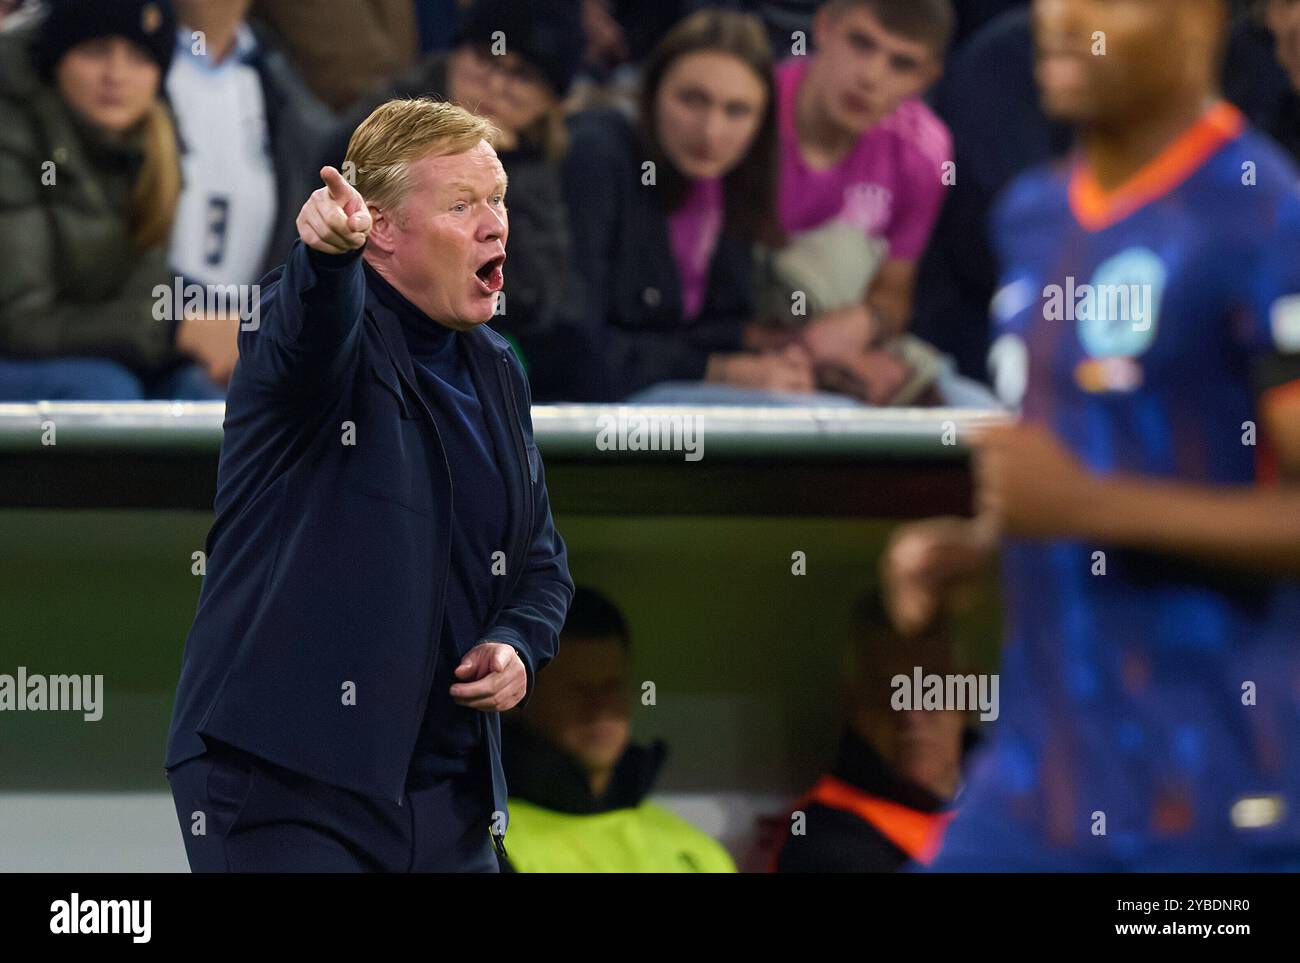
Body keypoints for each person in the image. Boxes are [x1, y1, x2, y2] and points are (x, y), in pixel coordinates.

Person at [884, 0, 1300, 871]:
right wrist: (980, 542)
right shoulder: (1033, 213)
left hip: (1210, 798)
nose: (1061, 19)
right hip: (1038, 783)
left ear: (1199, 23)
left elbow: (1088, 492)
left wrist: (1087, 507)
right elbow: (1074, 466)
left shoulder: (1262, 217)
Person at [163, 98, 573, 872]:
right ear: (381, 227)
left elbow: (541, 565)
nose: (495, 225)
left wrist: (518, 643)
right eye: (462, 205)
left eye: (499, 201)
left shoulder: (496, 368)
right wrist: (326, 259)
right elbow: (312, 328)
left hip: (445, 797)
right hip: (286, 783)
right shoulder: (317, 328)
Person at [545, 8, 814, 402]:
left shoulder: (736, 177)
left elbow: (704, 326)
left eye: (737, 110)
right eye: (692, 100)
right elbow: (570, 349)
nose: (710, 131)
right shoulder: (594, 156)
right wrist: (718, 370)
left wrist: (771, 350)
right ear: (652, 94)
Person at [319, 0, 583, 369]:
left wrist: (509, 170)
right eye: (484, 59)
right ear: (455, 54)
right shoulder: (381, 125)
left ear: (551, 101)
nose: (494, 86)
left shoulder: (545, 157)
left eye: (520, 74)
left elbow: (538, 301)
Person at [0, 0, 234, 400]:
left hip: (93, 344)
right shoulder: (12, 135)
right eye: (95, 52)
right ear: (56, 60)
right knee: (106, 393)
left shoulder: (153, 141)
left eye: (139, 57)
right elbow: (20, 323)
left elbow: (140, 291)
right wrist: (177, 328)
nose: (116, 75)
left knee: (207, 398)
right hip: (22, 350)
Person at [760, 0, 955, 403]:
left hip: (839, 358)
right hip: (740, 351)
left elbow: (894, 292)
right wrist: (796, 349)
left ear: (927, 77)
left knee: (979, 417)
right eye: (861, 44)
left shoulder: (925, 150)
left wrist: (868, 322)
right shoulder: (745, 111)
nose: (870, 76)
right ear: (824, 28)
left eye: (901, 64)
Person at [500, 586, 736, 872]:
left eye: (612, 687)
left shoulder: (696, 854)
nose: (600, 708)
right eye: (578, 690)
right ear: (519, 699)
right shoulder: (484, 845)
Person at [773, 588, 973, 872]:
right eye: (887, 691)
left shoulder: (1025, 803)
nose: (911, 713)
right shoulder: (823, 845)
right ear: (853, 704)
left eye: (931, 687)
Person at [167, 0, 333, 289]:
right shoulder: (129, 61)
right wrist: (174, 323)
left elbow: (330, 160)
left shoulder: (273, 71)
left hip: (245, 323)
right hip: (145, 322)